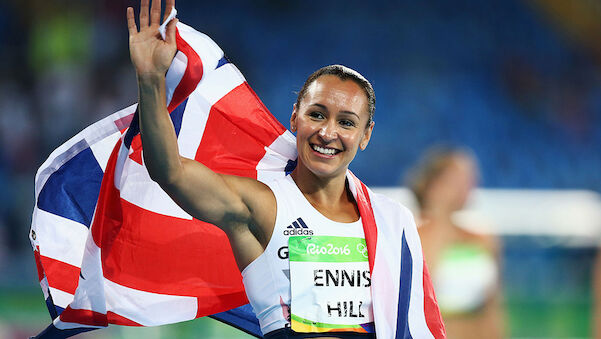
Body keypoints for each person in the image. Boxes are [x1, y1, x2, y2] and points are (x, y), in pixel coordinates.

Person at [126, 1, 444, 338]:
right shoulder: (262, 206)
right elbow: (169, 171)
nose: (328, 133)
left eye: (346, 122)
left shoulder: (391, 221)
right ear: (295, 117)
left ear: (365, 135)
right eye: (317, 114)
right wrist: (150, 81)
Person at [406, 147, 504, 339]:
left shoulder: (483, 240)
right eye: (458, 179)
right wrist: (439, 214)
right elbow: (418, 296)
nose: (467, 186)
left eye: (470, 179)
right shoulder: (412, 237)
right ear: (434, 183)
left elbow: (493, 309)